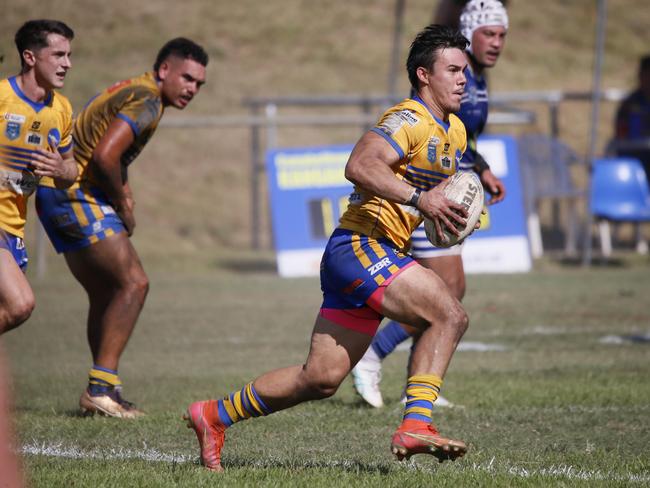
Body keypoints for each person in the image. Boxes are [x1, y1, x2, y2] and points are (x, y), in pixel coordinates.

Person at [185, 24, 472, 472]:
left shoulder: (454, 131)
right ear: (423, 75)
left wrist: (449, 214)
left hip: (369, 253)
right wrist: (421, 200)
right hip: (361, 245)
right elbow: (359, 164)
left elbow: (436, 193)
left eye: (465, 71)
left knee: (320, 379)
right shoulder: (408, 119)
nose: (462, 80)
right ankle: (417, 422)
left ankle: (214, 415)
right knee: (449, 314)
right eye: (452, 70)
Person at [35, 38, 208, 419]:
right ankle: (100, 389)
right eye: (187, 78)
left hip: (55, 194)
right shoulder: (147, 99)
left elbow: (108, 150)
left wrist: (122, 193)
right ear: (164, 70)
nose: (192, 89)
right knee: (134, 283)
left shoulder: (140, 90)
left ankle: (104, 387)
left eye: (199, 84)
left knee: (106, 292)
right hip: (73, 192)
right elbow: (105, 155)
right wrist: (123, 201)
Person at [352, 0, 508, 409]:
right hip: (421, 197)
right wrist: (423, 196)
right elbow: (427, 129)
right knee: (447, 296)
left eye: (502, 35)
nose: (496, 43)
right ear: (469, 32)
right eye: (488, 33)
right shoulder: (443, 75)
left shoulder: (476, 78)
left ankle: (416, 384)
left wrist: (482, 167)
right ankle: (374, 354)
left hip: (439, 191)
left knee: (450, 293)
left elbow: (461, 137)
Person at [0, 20, 77, 335]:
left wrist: (60, 170)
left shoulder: (61, 109)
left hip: (12, 225)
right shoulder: (2, 97)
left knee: (13, 310)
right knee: (20, 304)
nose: (67, 64)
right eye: (58, 55)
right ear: (30, 57)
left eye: (69, 55)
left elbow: (70, 169)